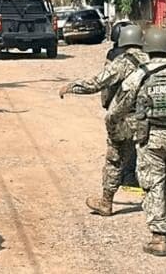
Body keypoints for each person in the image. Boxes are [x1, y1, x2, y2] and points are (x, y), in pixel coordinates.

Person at [109, 27, 166, 257]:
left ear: (147, 48)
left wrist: (115, 123)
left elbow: (119, 106)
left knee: (153, 184)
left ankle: (158, 235)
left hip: (150, 139)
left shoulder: (138, 76)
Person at [59, 24, 148, 216]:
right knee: (152, 160)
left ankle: (106, 203)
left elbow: (97, 83)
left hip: (124, 122)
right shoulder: (153, 61)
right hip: (149, 122)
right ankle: (158, 202)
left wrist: (72, 87)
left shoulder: (123, 61)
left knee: (114, 160)